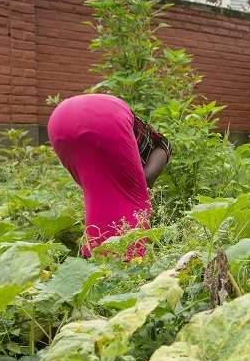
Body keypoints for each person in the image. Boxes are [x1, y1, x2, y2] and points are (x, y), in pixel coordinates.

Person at [47, 93, 170, 257]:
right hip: (106, 116)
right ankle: (132, 262)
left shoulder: (135, 133)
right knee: (136, 203)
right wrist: (143, 188)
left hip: (59, 120)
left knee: (96, 198)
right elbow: (162, 150)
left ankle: (95, 261)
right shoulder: (157, 144)